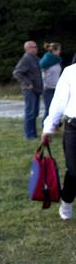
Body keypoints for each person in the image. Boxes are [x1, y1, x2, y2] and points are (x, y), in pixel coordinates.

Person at [41, 62, 76, 220]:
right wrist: (48, 127)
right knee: (74, 171)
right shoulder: (70, 72)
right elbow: (58, 102)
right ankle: (67, 201)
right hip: (73, 127)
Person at [13, 40, 43, 140]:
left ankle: (33, 134)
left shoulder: (36, 58)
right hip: (29, 90)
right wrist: (28, 83)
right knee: (30, 112)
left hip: (36, 90)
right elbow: (17, 73)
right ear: (28, 48)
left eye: (36, 46)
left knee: (35, 112)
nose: (36, 48)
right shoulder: (26, 59)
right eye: (34, 47)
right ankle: (29, 135)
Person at [39, 42, 62, 123]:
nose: (60, 51)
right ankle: (45, 126)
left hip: (56, 88)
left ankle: (55, 126)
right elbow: (42, 74)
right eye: (59, 50)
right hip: (48, 88)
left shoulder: (57, 60)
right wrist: (45, 85)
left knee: (57, 109)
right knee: (49, 109)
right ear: (54, 50)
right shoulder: (46, 61)